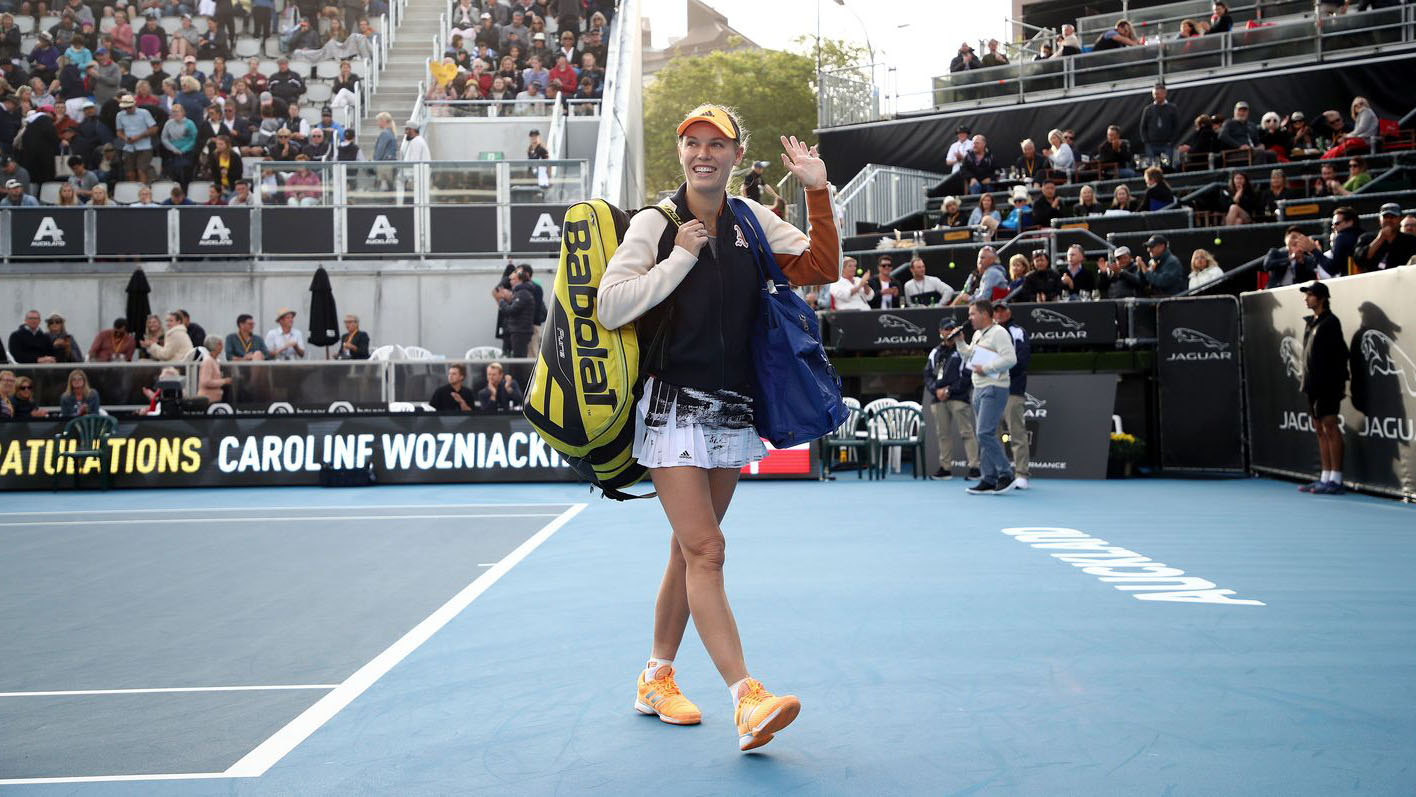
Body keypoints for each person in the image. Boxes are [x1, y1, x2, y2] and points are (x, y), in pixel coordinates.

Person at [596, 105, 840, 751]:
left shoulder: (752, 220)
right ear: (681, 152)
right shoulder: (655, 221)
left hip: (733, 408)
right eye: (693, 143)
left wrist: (817, 189)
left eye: (717, 144)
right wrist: (676, 260)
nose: (704, 153)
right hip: (673, 402)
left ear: (736, 154)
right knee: (707, 551)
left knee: (687, 549)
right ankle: (746, 696)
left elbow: (821, 265)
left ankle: (656, 675)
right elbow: (609, 302)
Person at [952, 298, 1019, 494]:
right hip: (979, 388)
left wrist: (987, 368)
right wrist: (960, 342)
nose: (970, 318)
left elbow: (1011, 359)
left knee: (984, 433)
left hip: (995, 387)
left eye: (972, 314)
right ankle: (988, 479)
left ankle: (1006, 474)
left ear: (984, 314)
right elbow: (969, 357)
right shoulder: (978, 334)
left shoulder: (999, 333)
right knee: (985, 435)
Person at [1297, 281, 1349, 495]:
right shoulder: (1311, 323)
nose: (1306, 299)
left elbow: (1339, 356)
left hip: (1328, 385)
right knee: (1319, 429)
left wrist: (1334, 383)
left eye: (1309, 295)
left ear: (1321, 298)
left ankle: (1336, 478)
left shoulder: (1331, 323)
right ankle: (1325, 477)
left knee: (1330, 426)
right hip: (1311, 385)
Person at [925, 319, 980, 480]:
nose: (949, 332)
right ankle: (945, 468)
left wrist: (949, 390)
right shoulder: (935, 352)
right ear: (940, 331)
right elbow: (928, 374)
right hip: (938, 398)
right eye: (946, 329)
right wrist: (936, 390)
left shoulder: (964, 350)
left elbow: (967, 375)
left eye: (951, 329)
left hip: (958, 397)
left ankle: (974, 467)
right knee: (943, 434)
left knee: (966, 432)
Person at [992, 302, 1031, 490]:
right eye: (996, 311)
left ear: (1009, 312)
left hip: (1012, 388)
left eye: (1002, 310)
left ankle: (1021, 473)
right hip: (992, 388)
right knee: (994, 433)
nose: (999, 314)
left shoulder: (1017, 332)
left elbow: (1022, 359)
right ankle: (1001, 472)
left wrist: (1001, 372)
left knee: (1016, 431)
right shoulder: (988, 333)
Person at [1354, 202, 1416, 272]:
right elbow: (1359, 260)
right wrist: (1380, 238)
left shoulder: (1410, 240)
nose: (1389, 220)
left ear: (1400, 219)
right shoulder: (1366, 238)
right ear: (1379, 219)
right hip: (1374, 279)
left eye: (1393, 217)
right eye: (1385, 217)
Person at [1264, 227, 1328, 288]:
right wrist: (1290, 258)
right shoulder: (1276, 253)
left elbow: (1312, 278)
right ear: (1286, 239)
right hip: (1276, 289)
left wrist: (1301, 263)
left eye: (1300, 239)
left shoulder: (1308, 259)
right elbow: (1267, 265)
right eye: (1293, 237)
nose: (1296, 241)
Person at [495, 268, 536, 356]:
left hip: (521, 331)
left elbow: (511, 311)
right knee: (514, 358)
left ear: (520, 280)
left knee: (519, 359)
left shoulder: (523, 293)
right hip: (518, 330)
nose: (510, 282)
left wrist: (501, 300)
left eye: (513, 279)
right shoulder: (521, 292)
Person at [1139, 83, 1181, 164]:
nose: (1156, 96)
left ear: (1164, 94)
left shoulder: (1172, 108)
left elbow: (1176, 126)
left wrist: (1171, 141)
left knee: (1167, 166)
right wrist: (1146, 142)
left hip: (1167, 144)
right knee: (1153, 167)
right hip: (1151, 145)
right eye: (1154, 94)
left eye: (1158, 94)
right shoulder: (1148, 109)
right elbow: (1143, 127)